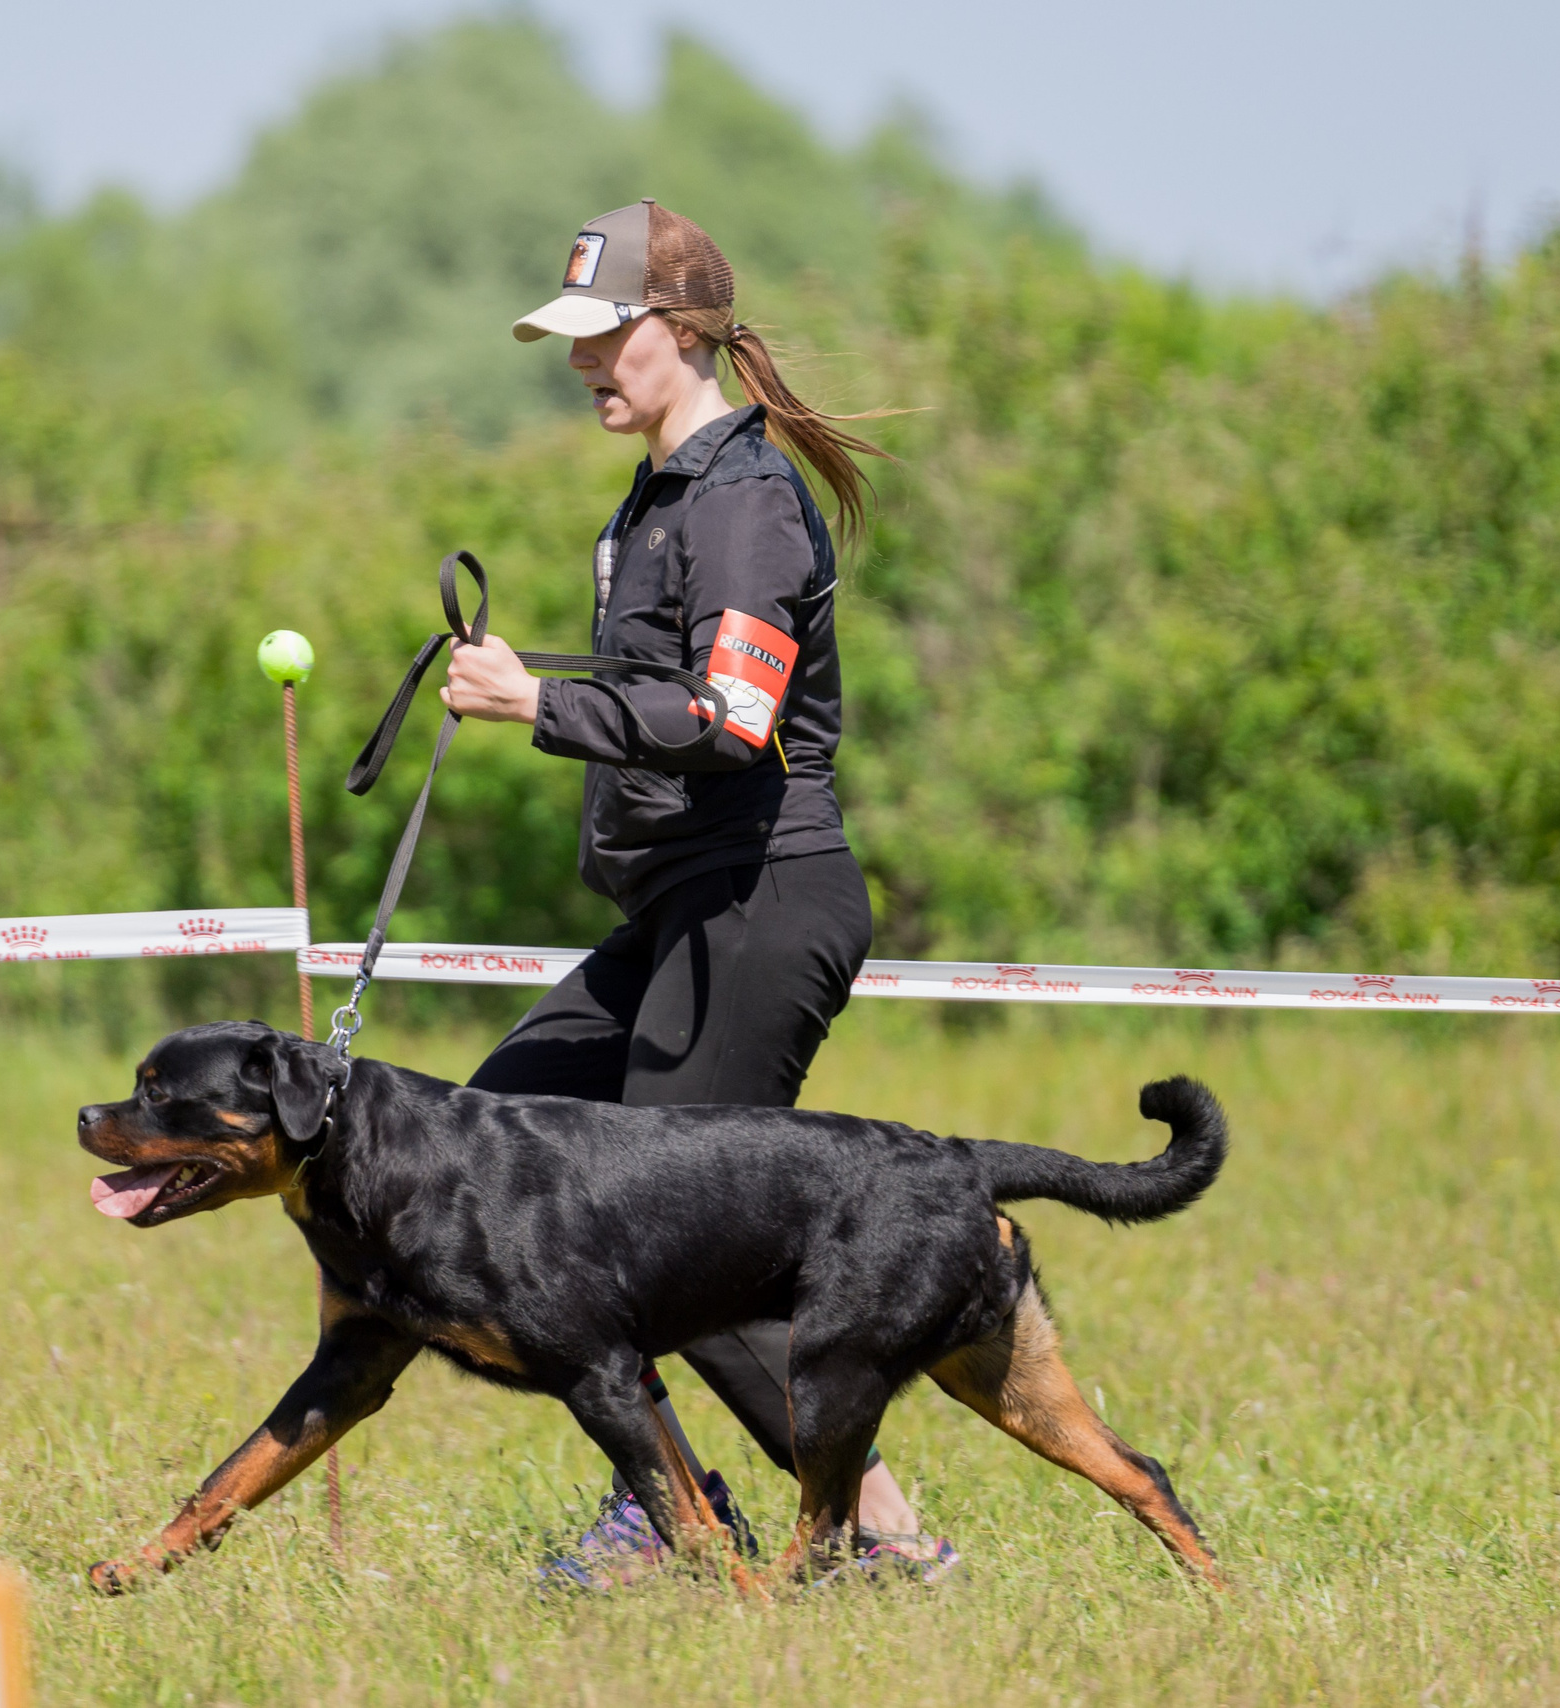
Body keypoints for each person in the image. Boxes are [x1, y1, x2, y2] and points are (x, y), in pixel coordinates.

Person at [441, 198, 955, 1585]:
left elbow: (730, 719)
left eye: (604, 339)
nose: (583, 367)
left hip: (763, 903)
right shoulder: (659, 496)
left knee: (677, 1244)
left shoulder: (740, 500)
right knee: (491, 1141)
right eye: (574, 346)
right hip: (679, 909)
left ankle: (888, 1542)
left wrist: (536, 705)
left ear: (673, 332)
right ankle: (678, 1508)